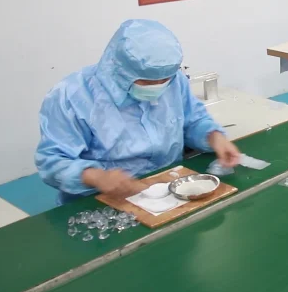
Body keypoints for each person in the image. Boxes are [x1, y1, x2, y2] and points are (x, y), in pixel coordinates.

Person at [36, 20, 241, 204]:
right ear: (119, 70)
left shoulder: (174, 81)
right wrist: (96, 177)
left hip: (168, 189)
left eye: (164, 80)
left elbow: (193, 119)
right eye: (146, 81)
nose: (158, 86)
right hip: (99, 199)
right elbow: (52, 161)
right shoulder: (71, 96)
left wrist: (213, 137)